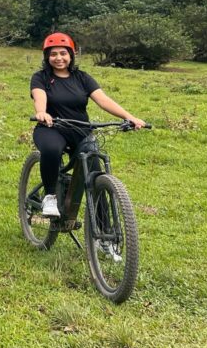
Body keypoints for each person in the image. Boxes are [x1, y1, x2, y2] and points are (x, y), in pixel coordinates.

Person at [30, 32, 146, 218]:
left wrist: (129, 116)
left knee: (95, 175)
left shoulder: (82, 78)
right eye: (53, 54)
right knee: (51, 149)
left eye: (63, 53)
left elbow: (103, 100)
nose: (58, 58)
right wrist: (42, 112)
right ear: (47, 57)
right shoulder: (40, 77)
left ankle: (104, 234)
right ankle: (50, 196)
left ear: (71, 55)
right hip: (51, 128)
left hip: (80, 130)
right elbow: (39, 96)